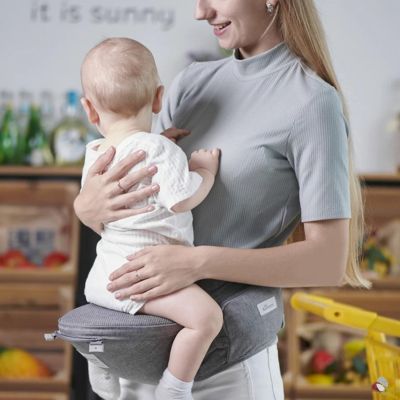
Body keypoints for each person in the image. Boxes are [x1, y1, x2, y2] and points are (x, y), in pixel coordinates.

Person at [74, 1, 371, 399]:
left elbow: (328, 260)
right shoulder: (190, 84)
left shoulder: (312, 102)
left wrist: (196, 263)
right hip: (136, 356)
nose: (201, 12)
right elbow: (140, 213)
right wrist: (86, 208)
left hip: (226, 371)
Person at [79, 37, 223, 400]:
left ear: (89, 111)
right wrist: (202, 171)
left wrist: (162, 146)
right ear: (159, 98)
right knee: (207, 319)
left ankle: (99, 357)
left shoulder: (94, 154)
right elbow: (180, 200)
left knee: (109, 321)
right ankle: (175, 388)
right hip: (142, 278)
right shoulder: (162, 149)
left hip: (100, 281)